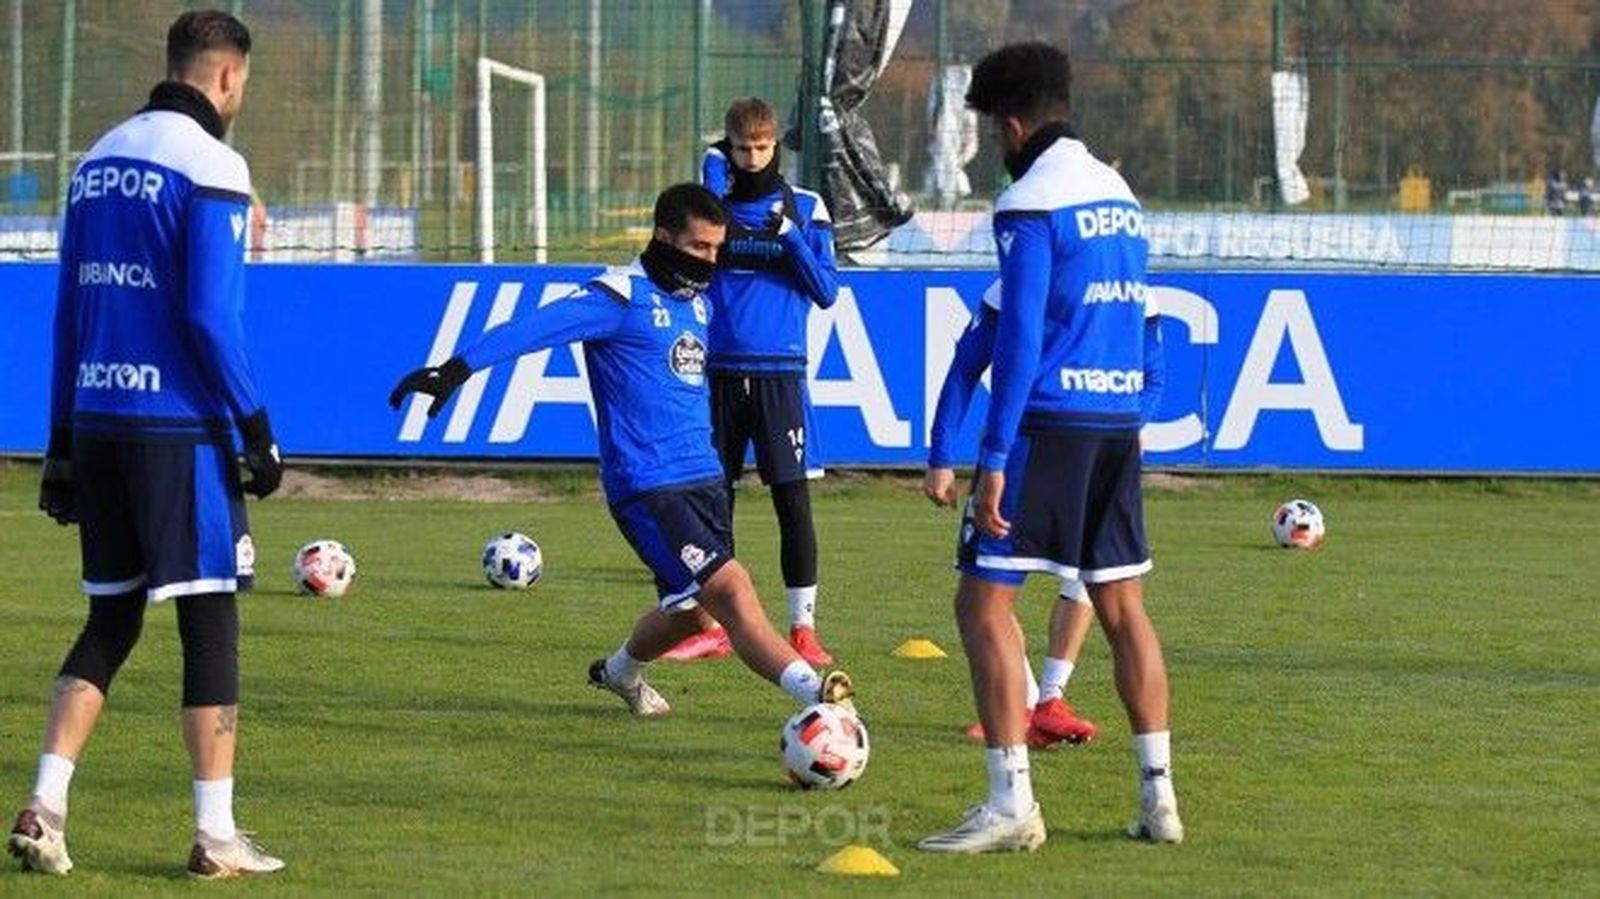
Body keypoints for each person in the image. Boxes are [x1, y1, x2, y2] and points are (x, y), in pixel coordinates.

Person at [388, 183, 854, 722]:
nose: (710, 261)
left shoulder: (696, 303)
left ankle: (620, 672)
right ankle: (818, 697)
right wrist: (457, 369)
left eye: (715, 250)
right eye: (699, 248)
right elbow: (532, 329)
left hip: (703, 479)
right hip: (648, 486)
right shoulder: (618, 297)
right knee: (732, 590)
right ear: (664, 236)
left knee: (693, 617)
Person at [10, 10, 285, 879]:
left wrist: (59, 441)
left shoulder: (95, 161)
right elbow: (209, 314)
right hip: (176, 431)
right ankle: (216, 834)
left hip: (96, 419)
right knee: (211, 621)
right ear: (229, 77)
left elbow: (69, 316)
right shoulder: (213, 165)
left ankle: (45, 805)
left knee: (113, 614)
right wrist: (256, 426)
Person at [917, 42, 1182, 853]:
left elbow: (1023, 332)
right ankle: (1158, 798)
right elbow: (1140, 322)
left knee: (982, 603)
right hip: (1113, 429)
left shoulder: (1030, 201)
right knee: (1123, 607)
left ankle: (1010, 805)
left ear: (1012, 123)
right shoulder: (1120, 194)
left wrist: (992, 455)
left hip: (1045, 427)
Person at [926, 276, 1165, 750]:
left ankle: (1049, 702)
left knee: (1089, 587)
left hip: (1073, 452)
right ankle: (1028, 703)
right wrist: (940, 455)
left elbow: (1153, 376)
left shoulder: (1131, 295)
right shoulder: (1012, 289)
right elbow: (965, 369)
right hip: (1031, 451)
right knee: (990, 592)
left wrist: (1126, 429)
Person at [661, 97, 841, 666]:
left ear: (776, 147)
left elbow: (827, 291)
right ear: (728, 149)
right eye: (742, 148)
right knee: (714, 501)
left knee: (793, 500)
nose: (753, 157)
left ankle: (803, 629)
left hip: (780, 374)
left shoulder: (805, 207)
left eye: (762, 147)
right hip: (717, 371)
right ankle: (714, 624)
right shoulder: (713, 211)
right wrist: (715, 172)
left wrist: (789, 238)